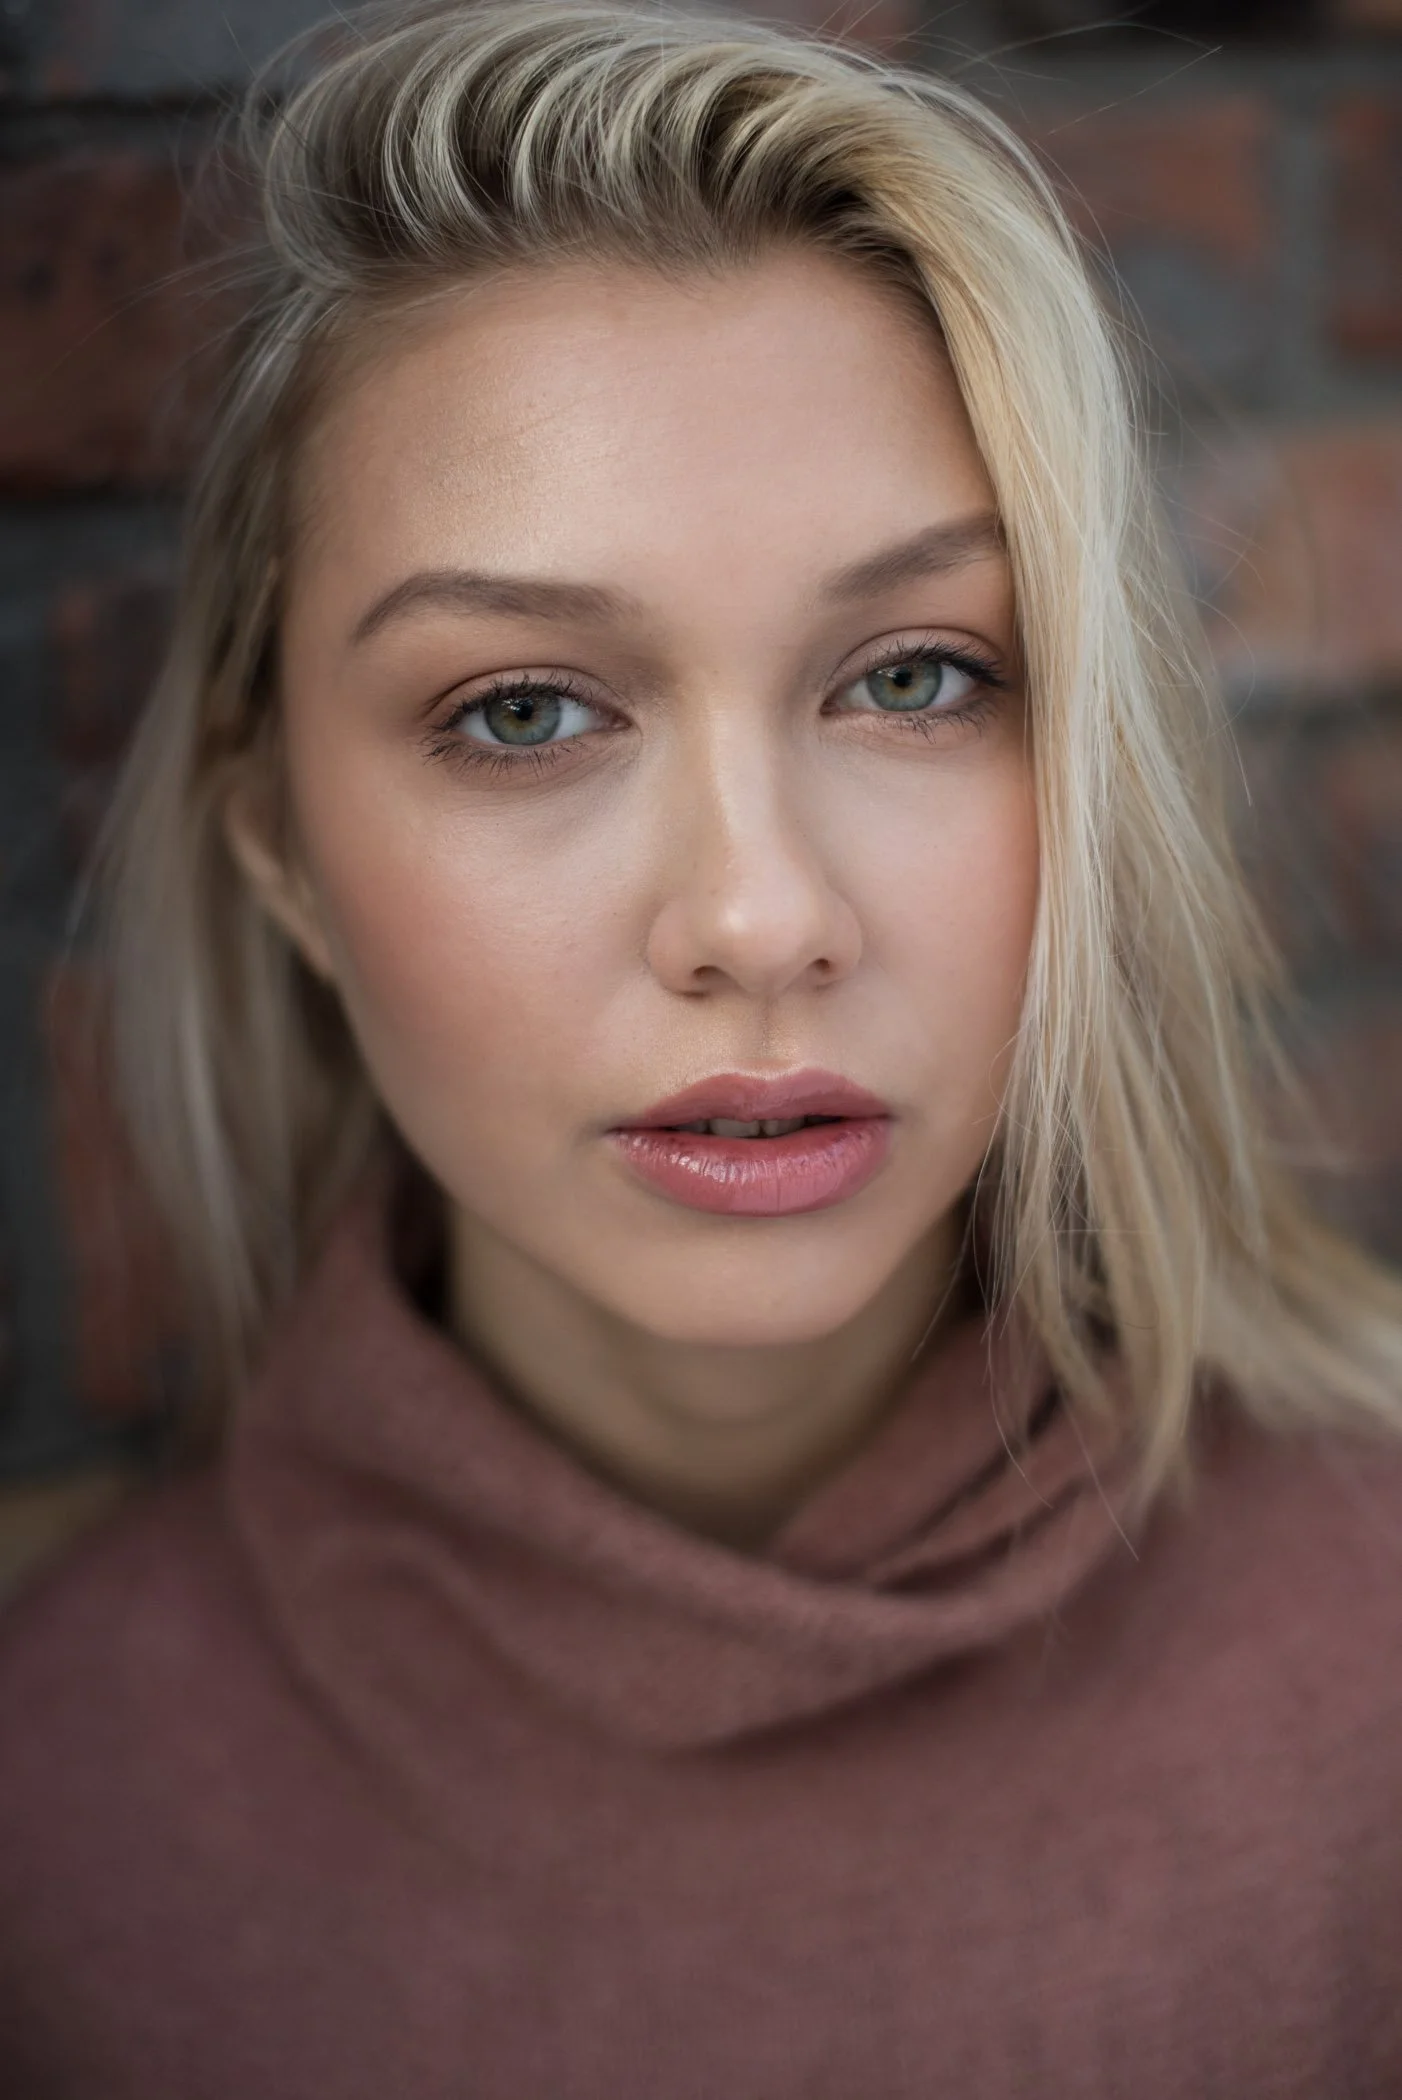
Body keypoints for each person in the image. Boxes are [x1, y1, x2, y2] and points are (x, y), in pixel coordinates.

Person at [3, 1, 1402, 2091]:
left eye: (915, 677)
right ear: (283, 846)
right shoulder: (60, 1814)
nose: (757, 918)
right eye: (523, 713)